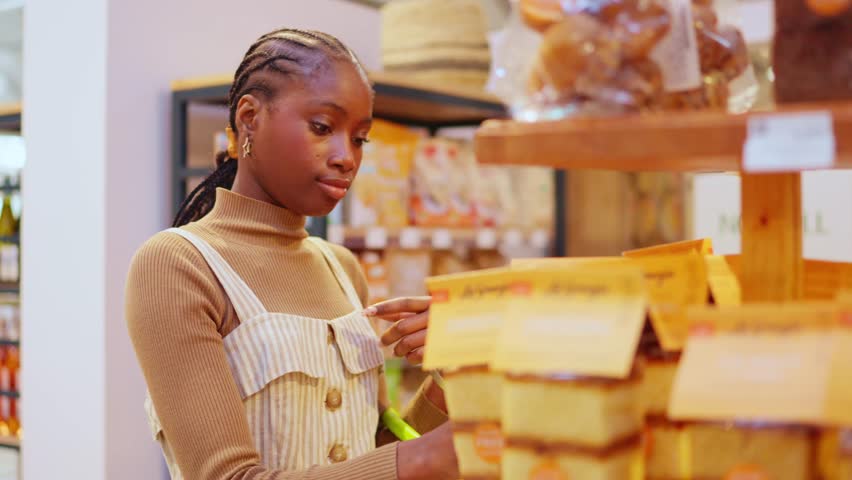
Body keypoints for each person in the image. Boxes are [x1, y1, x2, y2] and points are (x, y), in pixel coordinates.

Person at [126, 28, 458, 480]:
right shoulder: (177, 264)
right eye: (322, 127)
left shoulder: (341, 267)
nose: (347, 157)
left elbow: (374, 451)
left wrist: (447, 379)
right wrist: (425, 458)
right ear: (250, 118)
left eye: (360, 138)